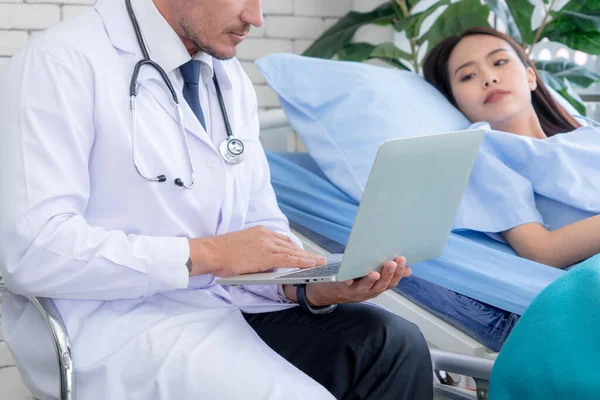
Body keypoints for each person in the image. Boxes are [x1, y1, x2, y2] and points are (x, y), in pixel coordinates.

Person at [0, 0, 433, 399]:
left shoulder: (225, 77)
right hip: (117, 326)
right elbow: (33, 250)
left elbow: (259, 224)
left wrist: (304, 289)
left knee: (393, 344)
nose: (256, 16)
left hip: (225, 306)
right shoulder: (59, 63)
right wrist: (206, 254)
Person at [423, 27, 600, 269]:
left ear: (530, 77)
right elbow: (542, 250)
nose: (489, 78)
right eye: (467, 76)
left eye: (500, 61)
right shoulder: (482, 151)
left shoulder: (587, 134)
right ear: (455, 102)